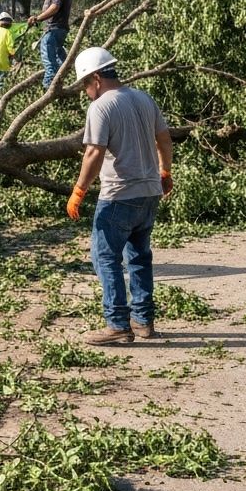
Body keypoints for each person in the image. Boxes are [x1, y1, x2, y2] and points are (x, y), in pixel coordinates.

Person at [66, 47, 173, 346]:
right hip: (149, 192)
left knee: (106, 257)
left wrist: (79, 191)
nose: (85, 91)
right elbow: (163, 139)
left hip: (118, 195)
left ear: (96, 78)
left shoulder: (100, 107)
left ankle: (116, 324)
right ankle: (143, 321)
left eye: (85, 84)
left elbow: (93, 152)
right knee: (139, 257)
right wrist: (165, 173)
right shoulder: (143, 98)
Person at [27, 0, 72, 89]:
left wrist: (37, 18)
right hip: (59, 29)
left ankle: (49, 91)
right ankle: (62, 86)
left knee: (49, 63)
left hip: (54, 29)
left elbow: (55, 7)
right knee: (59, 61)